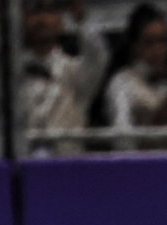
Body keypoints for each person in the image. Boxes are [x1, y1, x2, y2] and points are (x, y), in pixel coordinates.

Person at [96, 3, 167, 150]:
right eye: (149, 42)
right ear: (135, 45)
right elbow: (123, 143)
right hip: (140, 166)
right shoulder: (122, 83)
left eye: (163, 41)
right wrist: (157, 125)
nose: (158, 50)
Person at [21, 0, 106, 155]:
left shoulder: (77, 73)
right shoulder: (8, 76)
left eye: (50, 11)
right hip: (22, 168)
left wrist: (81, 18)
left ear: (61, 22)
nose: (42, 19)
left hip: (68, 167)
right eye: (35, 10)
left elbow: (98, 56)